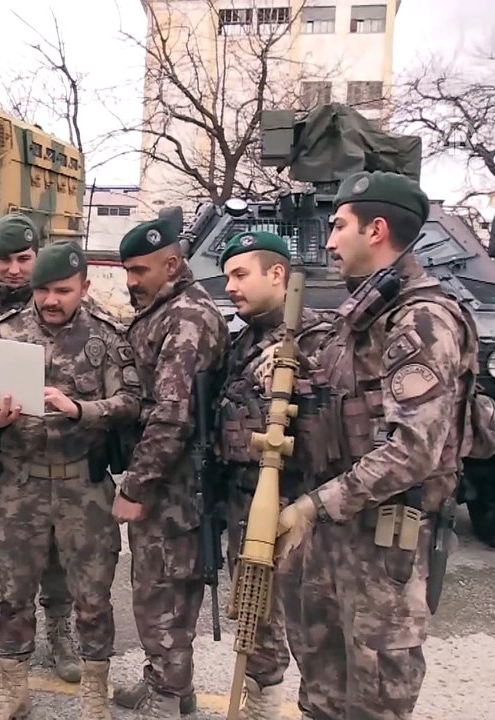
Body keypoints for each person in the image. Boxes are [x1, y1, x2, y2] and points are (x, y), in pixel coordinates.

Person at [273, 171, 495, 719]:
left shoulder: (423, 319)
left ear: (375, 230)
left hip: (384, 542)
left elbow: (413, 451)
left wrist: (312, 505)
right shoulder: (361, 315)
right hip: (335, 535)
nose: (328, 241)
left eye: (337, 226)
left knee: (375, 698)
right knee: (320, 688)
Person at [0, 241, 143, 720]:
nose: (50, 300)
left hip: (82, 487)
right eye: (42, 290)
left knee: (92, 594)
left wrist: (82, 409)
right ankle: (13, 691)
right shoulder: (5, 334)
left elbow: (130, 402)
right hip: (20, 485)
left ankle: (92, 694)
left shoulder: (106, 336)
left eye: (62, 290)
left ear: (83, 286)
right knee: (13, 592)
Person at [0, 211, 80, 682]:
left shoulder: (56, 298)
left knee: (52, 547)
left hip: (39, 448)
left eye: (24, 258)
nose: (14, 270)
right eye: (3, 259)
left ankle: (60, 631)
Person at [214, 230, 338, 720]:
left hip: (299, 503)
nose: (230, 286)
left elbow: (337, 419)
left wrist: (302, 373)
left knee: (309, 621)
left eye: (241, 275)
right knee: (255, 613)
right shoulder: (241, 341)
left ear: (278, 274)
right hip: (246, 500)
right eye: (227, 277)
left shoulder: (319, 337)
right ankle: (260, 705)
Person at [109, 217, 230, 718]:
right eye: (128, 270)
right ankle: (166, 682)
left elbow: (172, 414)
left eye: (140, 270)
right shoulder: (164, 309)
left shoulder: (186, 318)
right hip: (168, 478)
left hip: (176, 484)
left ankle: (167, 698)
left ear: (172, 263)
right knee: (156, 590)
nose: (131, 280)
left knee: (166, 597)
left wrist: (135, 487)